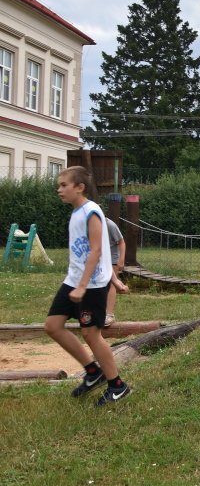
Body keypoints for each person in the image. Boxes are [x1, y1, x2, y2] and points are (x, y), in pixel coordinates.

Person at [43, 166, 132, 406]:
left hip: (91, 285)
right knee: (53, 326)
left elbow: (97, 250)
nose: (59, 189)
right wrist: (80, 283)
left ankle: (118, 386)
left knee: (91, 334)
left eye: (64, 185)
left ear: (80, 187)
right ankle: (93, 373)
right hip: (73, 280)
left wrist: (84, 286)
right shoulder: (76, 212)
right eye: (59, 185)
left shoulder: (92, 211)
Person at [104, 217, 130, 325]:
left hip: (112, 259)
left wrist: (121, 260)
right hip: (100, 259)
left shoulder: (110, 225)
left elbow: (121, 242)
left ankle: (109, 315)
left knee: (111, 284)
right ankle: (122, 287)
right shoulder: (90, 224)